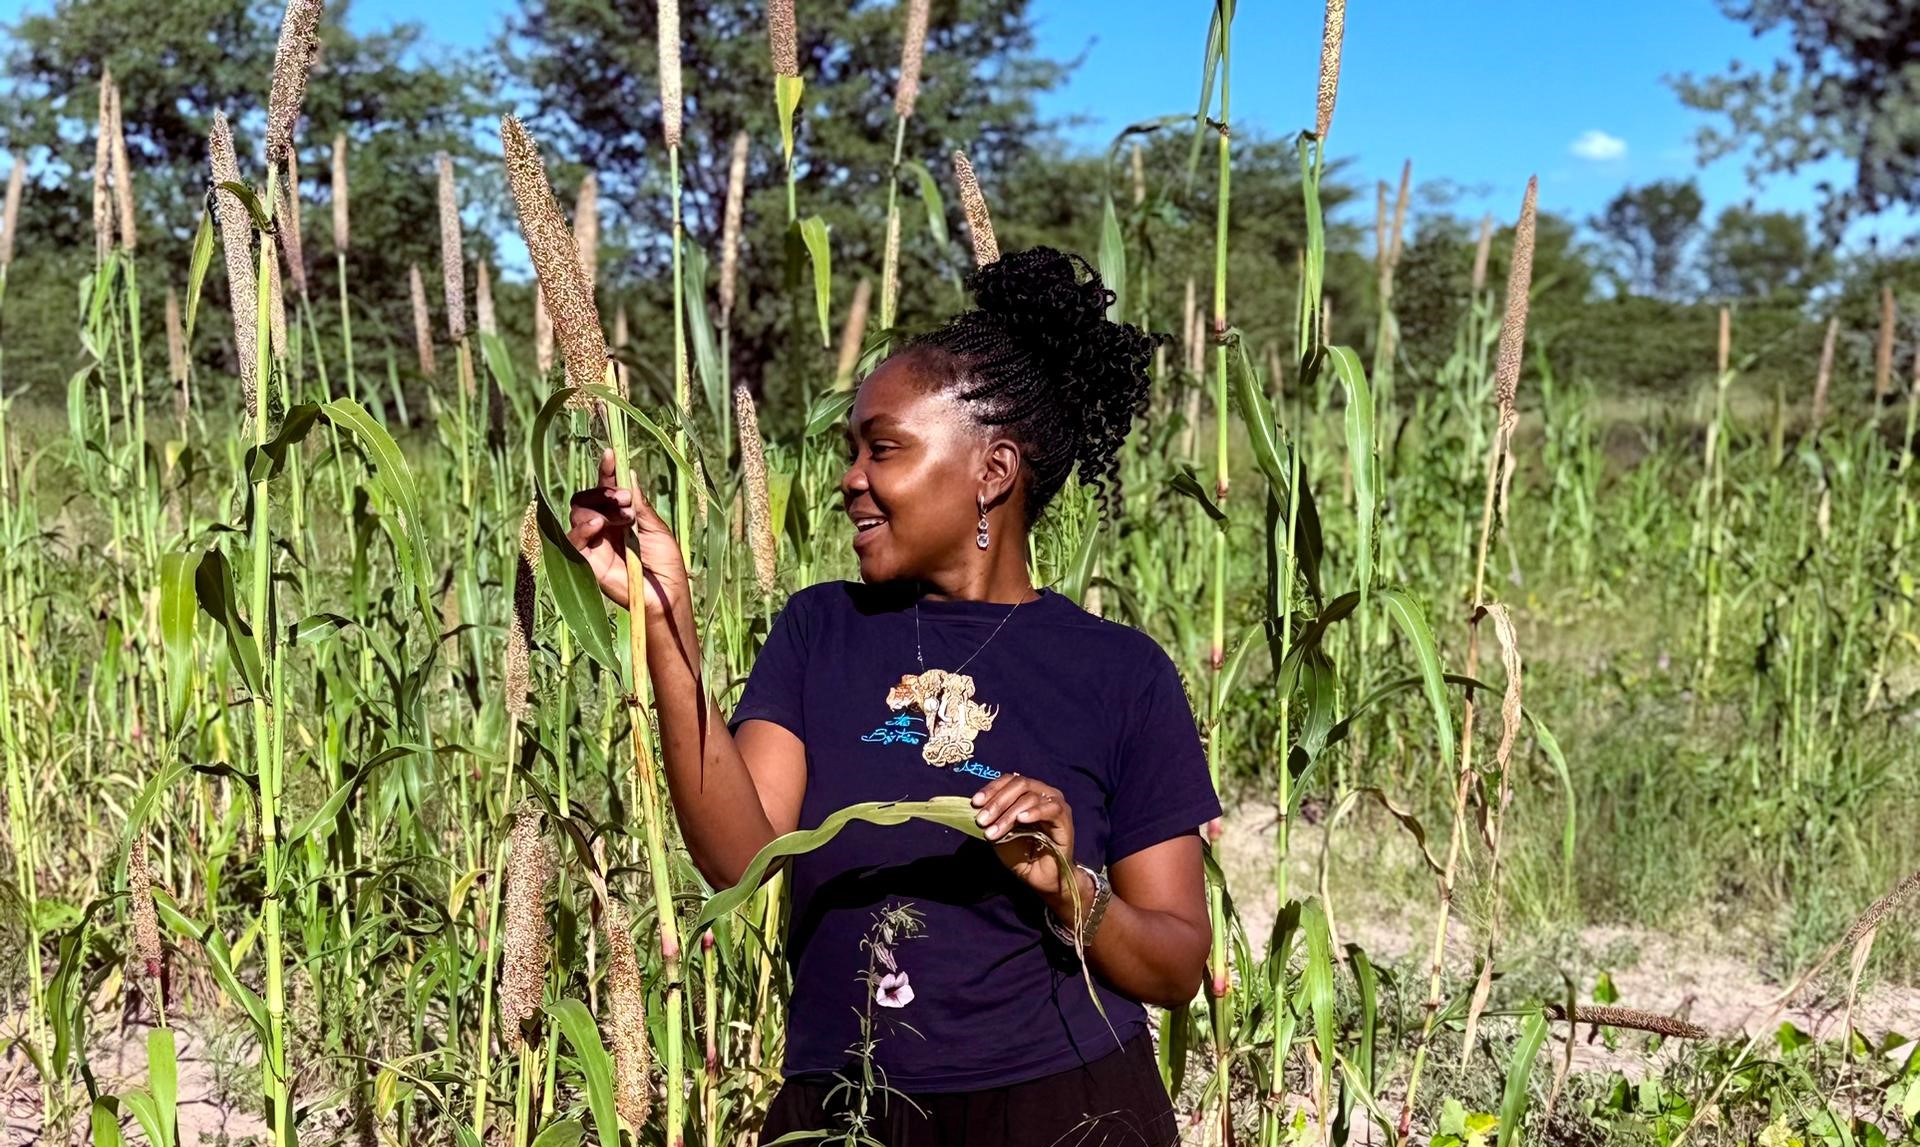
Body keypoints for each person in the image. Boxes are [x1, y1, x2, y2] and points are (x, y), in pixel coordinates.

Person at [567, 247, 1222, 1146]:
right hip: (844, 1106)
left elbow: (1178, 963)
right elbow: (741, 856)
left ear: (993, 471)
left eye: (884, 450)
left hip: (1063, 1108)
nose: (851, 479)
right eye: (852, 451)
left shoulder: (1120, 673)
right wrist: (663, 621)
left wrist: (1068, 887)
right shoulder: (820, 629)